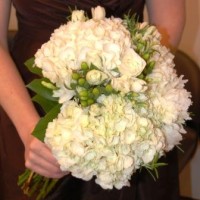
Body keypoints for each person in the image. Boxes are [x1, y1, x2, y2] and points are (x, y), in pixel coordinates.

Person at [0, 0, 185, 199]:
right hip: (30, 109)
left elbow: (168, 19)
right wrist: (29, 130)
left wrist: (133, 83)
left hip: (130, 115)